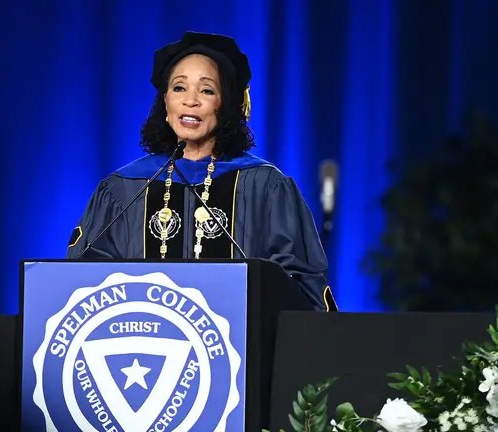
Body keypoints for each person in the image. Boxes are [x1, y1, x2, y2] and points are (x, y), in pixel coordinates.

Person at [66, 31, 337, 312]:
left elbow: (298, 287)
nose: (190, 101)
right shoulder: (125, 189)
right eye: (179, 88)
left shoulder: (264, 187)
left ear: (227, 105)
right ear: (165, 104)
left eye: (207, 90)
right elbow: (82, 282)